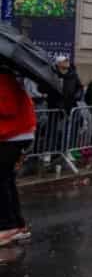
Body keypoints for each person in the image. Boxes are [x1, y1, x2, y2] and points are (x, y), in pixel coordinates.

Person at [0, 70, 36, 247]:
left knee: (2, 181)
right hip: (16, 135)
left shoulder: (4, 80)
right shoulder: (10, 79)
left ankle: (7, 227)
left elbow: (7, 108)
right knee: (7, 180)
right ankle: (17, 225)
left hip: (13, 136)